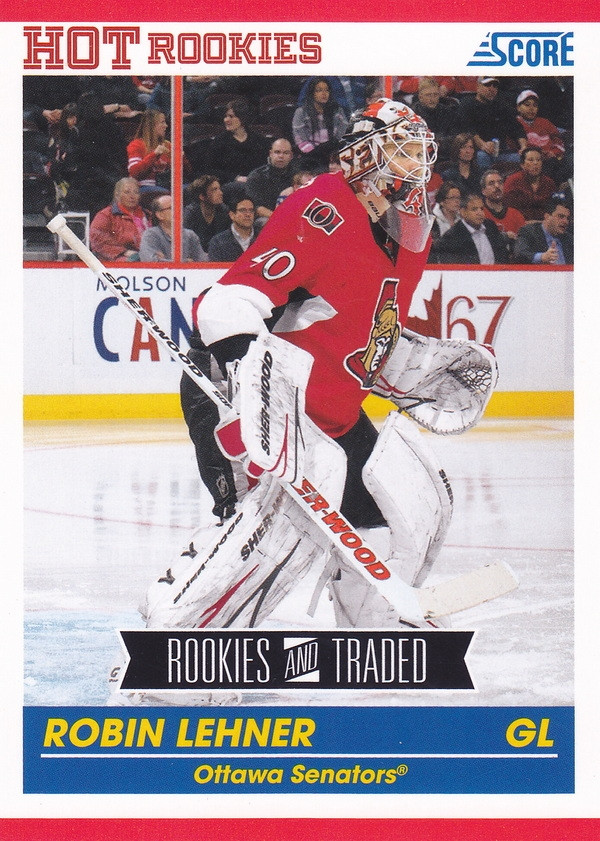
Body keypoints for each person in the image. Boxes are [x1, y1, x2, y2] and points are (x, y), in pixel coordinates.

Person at [175, 98, 494, 630]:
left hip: (329, 415)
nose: (417, 165)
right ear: (364, 154)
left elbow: (362, 325)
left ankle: (372, 623)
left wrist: (408, 368)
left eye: (421, 153)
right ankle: (181, 631)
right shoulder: (321, 209)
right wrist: (251, 391)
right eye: (403, 150)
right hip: (246, 399)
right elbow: (227, 304)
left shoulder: (409, 231)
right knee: (261, 539)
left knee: (391, 519)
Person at [457, 76, 527, 169]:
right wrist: (483, 145)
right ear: (478, 86)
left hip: (502, 152)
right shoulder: (467, 105)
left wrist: (524, 147)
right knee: (482, 156)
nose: (491, 89)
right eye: (487, 85)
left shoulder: (502, 106)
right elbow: (468, 130)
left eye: (495, 86)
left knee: (523, 158)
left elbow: (517, 128)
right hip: (477, 151)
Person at [432, 191, 510, 264]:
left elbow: (502, 254)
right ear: (463, 212)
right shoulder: (452, 237)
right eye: (474, 209)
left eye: (481, 209)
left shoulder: (490, 226)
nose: (480, 213)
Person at [205, 98, 269, 186]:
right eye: (226, 116)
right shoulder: (219, 141)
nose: (226, 120)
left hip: (256, 183)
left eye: (231, 116)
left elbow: (265, 166)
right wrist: (235, 178)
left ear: (242, 118)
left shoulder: (259, 140)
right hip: (230, 185)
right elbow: (210, 170)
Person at [292, 77, 348, 172]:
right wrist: (317, 153)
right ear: (312, 93)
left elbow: (343, 134)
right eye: (319, 90)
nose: (324, 93)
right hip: (311, 159)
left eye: (326, 90)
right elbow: (300, 140)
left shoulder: (337, 110)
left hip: (335, 156)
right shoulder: (301, 112)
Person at [90, 177, 150, 261]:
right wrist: (124, 252)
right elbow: (98, 241)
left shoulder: (148, 215)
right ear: (117, 194)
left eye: (136, 192)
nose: (132, 196)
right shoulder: (106, 215)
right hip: (119, 259)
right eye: (127, 192)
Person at [515, 89, 569, 183]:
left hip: (553, 160)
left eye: (535, 105)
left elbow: (558, 141)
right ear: (518, 107)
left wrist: (553, 152)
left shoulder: (545, 122)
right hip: (532, 162)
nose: (531, 108)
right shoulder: (514, 124)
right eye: (527, 105)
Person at [139, 194, 207, 262]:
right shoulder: (150, 235)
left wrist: (165, 260)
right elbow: (150, 262)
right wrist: (186, 261)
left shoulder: (190, 235)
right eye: (172, 207)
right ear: (160, 215)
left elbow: (203, 261)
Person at [245, 138, 298, 222]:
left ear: (291, 156)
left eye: (286, 153)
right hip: (267, 218)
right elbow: (256, 207)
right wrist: (280, 219)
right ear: (270, 154)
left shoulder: (297, 176)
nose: (281, 156)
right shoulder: (257, 176)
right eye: (277, 152)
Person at [513, 196, 573, 264]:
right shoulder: (529, 232)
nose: (566, 221)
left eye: (567, 218)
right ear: (547, 217)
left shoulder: (570, 239)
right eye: (561, 216)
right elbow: (519, 254)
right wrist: (542, 257)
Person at [504, 147, 557, 221]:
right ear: (522, 165)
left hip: (544, 224)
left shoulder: (549, 183)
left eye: (538, 160)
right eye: (531, 160)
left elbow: (554, 209)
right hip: (519, 223)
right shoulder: (513, 181)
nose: (535, 163)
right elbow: (508, 210)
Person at [127, 109, 171, 194]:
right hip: (144, 187)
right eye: (162, 122)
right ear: (151, 125)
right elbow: (134, 172)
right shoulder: (136, 144)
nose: (166, 125)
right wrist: (155, 154)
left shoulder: (168, 145)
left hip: (166, 185)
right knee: (164, 193)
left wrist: (182, 158)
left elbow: (186, 173)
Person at [183, 175, 231, 253]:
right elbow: (186, 243)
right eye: (214, 190)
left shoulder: (224, 210)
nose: (221, 193)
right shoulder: (190, 213)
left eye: (219, 189)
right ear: (202, 196)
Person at [206, 195, 259, 261]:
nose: (248, 214)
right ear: (232, 215)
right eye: (243, 210)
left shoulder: (263, 238)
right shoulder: (218, 242)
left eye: (251, 210)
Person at [480, 168, 527, 240]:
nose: (497, 186)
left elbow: (524, 241)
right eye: (491, 183)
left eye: (500, 182)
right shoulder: (480, 214)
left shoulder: (516, 215)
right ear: (483, 191)